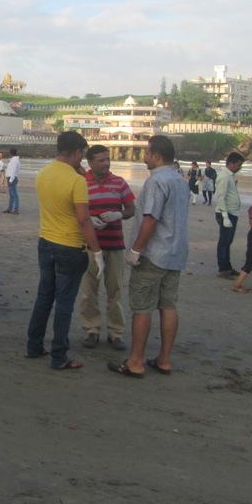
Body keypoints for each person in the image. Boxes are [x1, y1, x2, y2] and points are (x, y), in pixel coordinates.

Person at [110, 135, 189, 378]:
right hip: (175, 253)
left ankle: (136, 361)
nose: (144, 158)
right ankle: (164, 359)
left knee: (142, 307)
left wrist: (136, 249)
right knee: (168, 305)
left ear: (157, 156)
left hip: (154, 253)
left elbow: (151, 218)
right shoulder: (180, 180)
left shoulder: (157, 181)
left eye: (146, 153)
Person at [24, 131, 104, 370]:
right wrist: (97, 251)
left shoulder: (43, 174)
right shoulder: (77, 181)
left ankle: (34, 345)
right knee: (64, 304)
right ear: (77, 152)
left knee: (44, 297)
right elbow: (83, 219)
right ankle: (59, 355)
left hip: (46, 241)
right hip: (70, 246)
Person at [78, 144, 136, 350]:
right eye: (101, 160)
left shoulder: (119, 183)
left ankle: (116, 332)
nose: (106, 163)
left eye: (107, 159)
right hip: (89, 246)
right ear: (90, 163)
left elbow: (131, 208)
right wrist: (89, 219)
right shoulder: (81, 183)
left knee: (115, 290)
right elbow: (75, 211)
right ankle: (91, 330)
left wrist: (118, 214)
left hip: (115, 245)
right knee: (89, 291)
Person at [214, 152, 245, 278]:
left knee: (228, 241)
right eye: (238, 165)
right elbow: (221, 196)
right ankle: (223, 268)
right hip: (226, 212)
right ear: (231, 163)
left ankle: (227, 266)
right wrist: (225, 215)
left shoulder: (230, 176)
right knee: (224, 241)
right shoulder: (224, 176)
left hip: (232, 212)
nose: (239, 167)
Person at [4, 147, 21, 214]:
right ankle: (10, 208)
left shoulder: (14, 161)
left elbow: (13, 171)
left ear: (10, 153)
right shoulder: (15, 160)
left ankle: (16, 210)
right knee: (11, 195)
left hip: (12, 178)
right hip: (11, 178)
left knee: (14, 195)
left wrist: (11, 180)